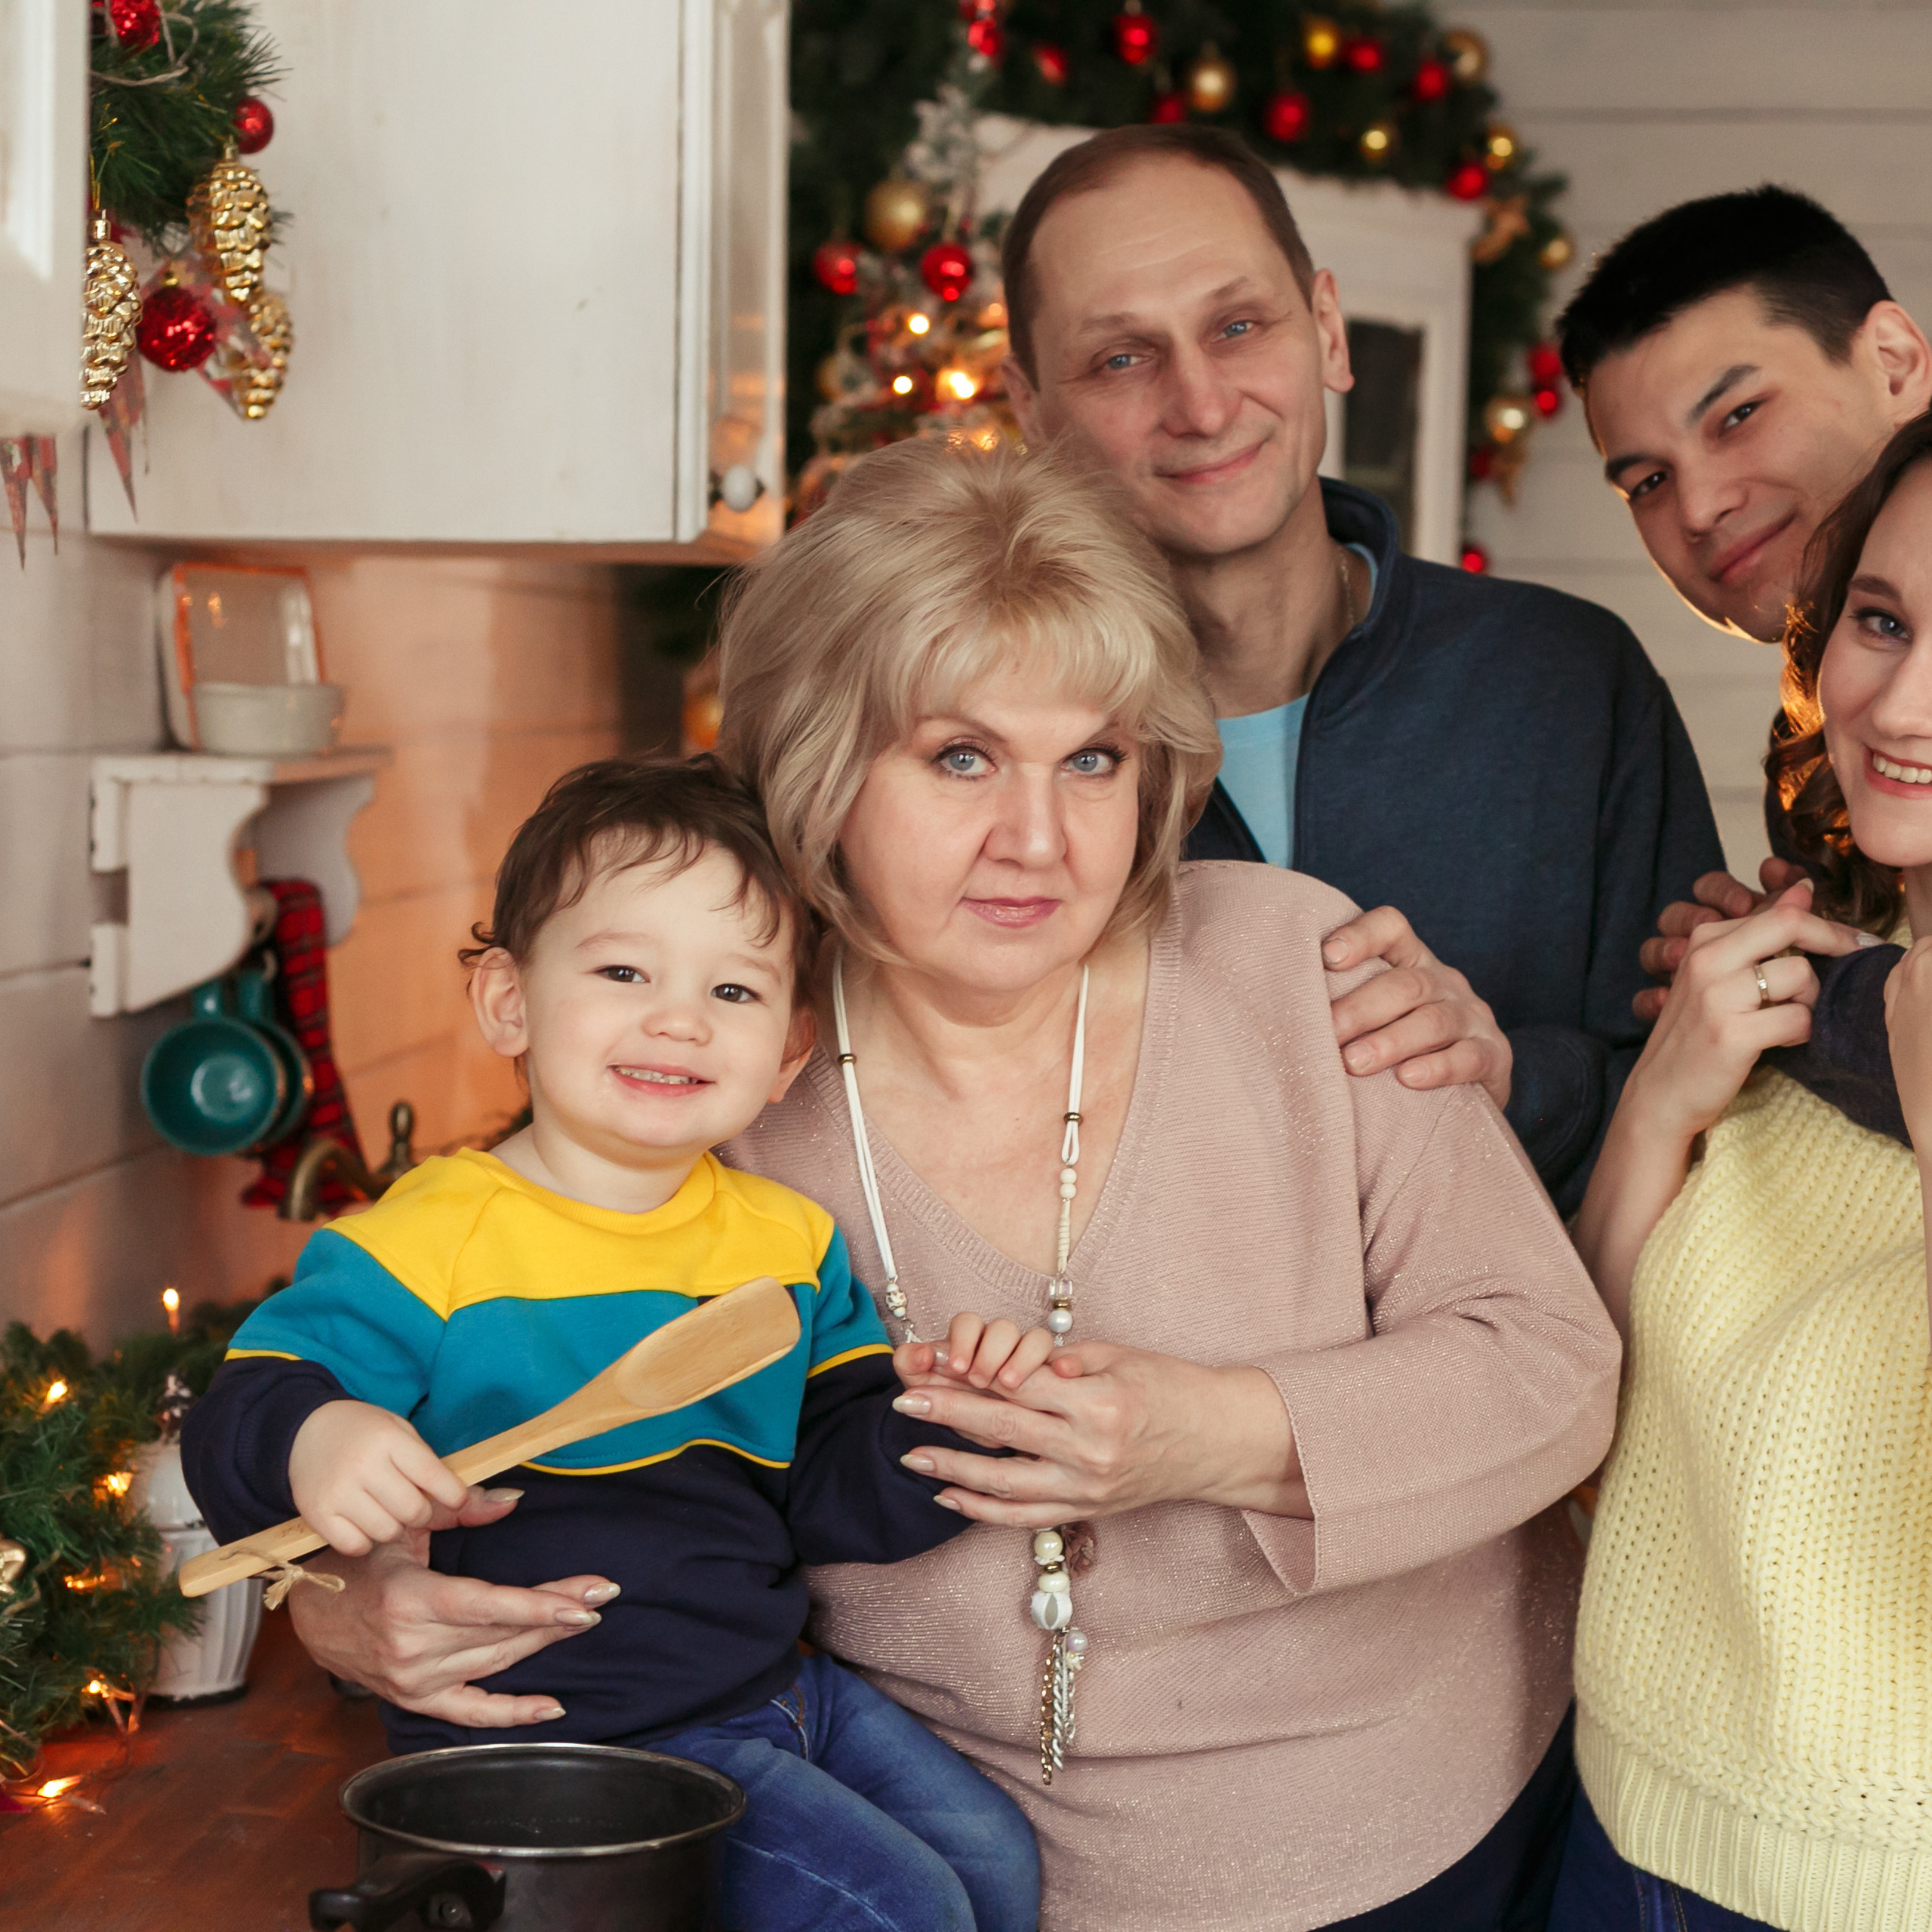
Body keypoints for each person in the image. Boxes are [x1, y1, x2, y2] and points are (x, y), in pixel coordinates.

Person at [274, 436, 1623, 1932]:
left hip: (1412, 1823)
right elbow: (503, 1430)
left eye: (1092, 757)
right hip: (920, 1855)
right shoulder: (706, 1071)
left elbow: (1552, 1367)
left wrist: (1209, 1430)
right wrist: (340, 1610)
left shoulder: (1296, 966)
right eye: (959, 754)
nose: (1037, 839)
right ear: (819, 767)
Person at [180, 759, 1042, 1932]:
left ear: (790, 1049)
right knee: (906, 1911)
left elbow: (832, 1486)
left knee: (992, 1865)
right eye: (624, 971)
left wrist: (950, 1424)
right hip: (571, 1743)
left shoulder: (787, 1244)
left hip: (772, 1686)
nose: (678, 1018)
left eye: (734, 993)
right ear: (509, 1004)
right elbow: (249, 1402)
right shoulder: (425, 1239)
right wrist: (318, 1432)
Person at [997, 124, 1725, 1211]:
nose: (1200, 404)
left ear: (1327, 332)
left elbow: (1716, 1109)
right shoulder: (986, 745)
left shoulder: (1569, 684)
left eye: (1239, 326)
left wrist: (1509, 1074)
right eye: (1121, 358)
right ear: (1031, 414)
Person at [1552, 412, 1932, 1931]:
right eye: (1880, 620)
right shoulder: (1803, 982)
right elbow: (1570, 1443)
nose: (1901, 701)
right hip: (1620, 1828)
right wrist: (1660, 1103)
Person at [1555, 186, 1932, 1011]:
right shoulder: (1819, 741)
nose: (1696, 509)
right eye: (1649, 481)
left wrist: (1826, 1002)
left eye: (1738, 415)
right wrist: (1797, 954)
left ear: (1896, 363)